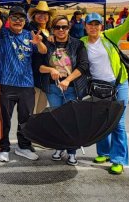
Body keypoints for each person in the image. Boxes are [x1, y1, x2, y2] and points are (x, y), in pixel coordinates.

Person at [83, 0, 129, 175]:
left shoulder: (109, 36)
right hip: (98, 87)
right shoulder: (81, 42)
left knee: (118, 123)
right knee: (102, 120)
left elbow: (126, 27)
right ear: (85, 26)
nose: (94, 27)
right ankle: (104, 152)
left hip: (118, 84)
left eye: (97, 24)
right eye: (90, 24)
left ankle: (118, 160)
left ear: (102, 26)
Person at [0, 0, 47, 163]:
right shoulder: (4, 34)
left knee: (26, 119)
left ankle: (23, 147)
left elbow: (44, 52)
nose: (17, 21)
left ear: (25, 21)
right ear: (9, 21)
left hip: (27, 85)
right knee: (5, 119)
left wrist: (40, 44)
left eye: (21, 18)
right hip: (7, 83)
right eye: (14, 18)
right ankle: (4, 147)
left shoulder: (30, 35)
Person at [38, 15, 89, 166]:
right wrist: (51, 70)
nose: (61, 30)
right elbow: (39, 67)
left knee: (71, 119)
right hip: (53, 88)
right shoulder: (47, 44)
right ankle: (59, 147)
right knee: (57, 120)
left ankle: (72, 152)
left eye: (64, 27)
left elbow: (83, 66)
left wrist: (68, 79)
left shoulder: (77, 44)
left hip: (72, 88)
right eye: (57, 27)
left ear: (69, 28)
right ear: (52, 29)